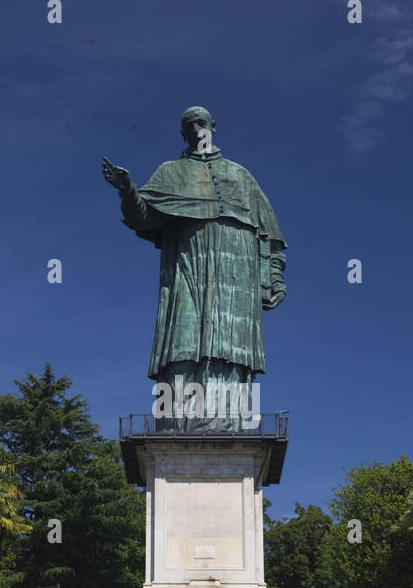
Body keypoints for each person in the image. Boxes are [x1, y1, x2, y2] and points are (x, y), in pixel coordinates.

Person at [103, 106, 287, 431]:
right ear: (183, 134)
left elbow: (269, 235)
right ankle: (177, 421)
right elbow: (142, 216)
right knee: (182, 339)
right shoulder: (170, 173)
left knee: (230, 346)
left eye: (201, 122)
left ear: (214, 126)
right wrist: (127, 191)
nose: (197, 128)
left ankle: (230, 421)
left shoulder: (241, 176)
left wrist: (273, 278)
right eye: (190, 125)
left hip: (236, 273)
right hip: (187, 267)